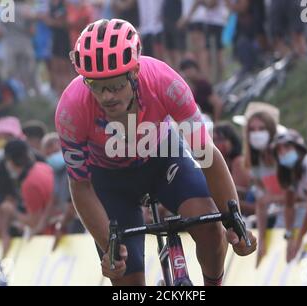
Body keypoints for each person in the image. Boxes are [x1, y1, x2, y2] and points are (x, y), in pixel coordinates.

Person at [56, 18, 256, 286]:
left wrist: (234, 220)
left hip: (164, 160)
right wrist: (110, 249)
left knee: (210, 226)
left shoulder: (164, 82)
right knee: (127, 276)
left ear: (134, 72)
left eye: (115, 85)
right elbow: (80, 186)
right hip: (110, 181)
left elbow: (207, 157)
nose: (106, 96)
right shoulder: (71, 109)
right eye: (95, 85)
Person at [271, 129, 307, 262]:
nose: (283, 152)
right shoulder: (291, 172)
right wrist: (290, 236)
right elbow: (289, 205)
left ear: (298, 147)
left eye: (287, 147)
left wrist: (300, 237)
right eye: (279, 150)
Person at [240, 102, 285, 266]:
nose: (256, 134)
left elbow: (302, 191)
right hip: (281, 215)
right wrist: (262, 241)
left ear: (272, 130)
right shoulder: (255, 163)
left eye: (261, 129)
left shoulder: (284, 154)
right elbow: (261, 202)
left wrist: (272, 198)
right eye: (252, 129)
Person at [1, 140, 55, 236]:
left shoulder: (29, 184)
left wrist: (13, 212)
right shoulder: (42, 166)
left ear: (11, 161)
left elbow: (34, 222)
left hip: (50, 233)